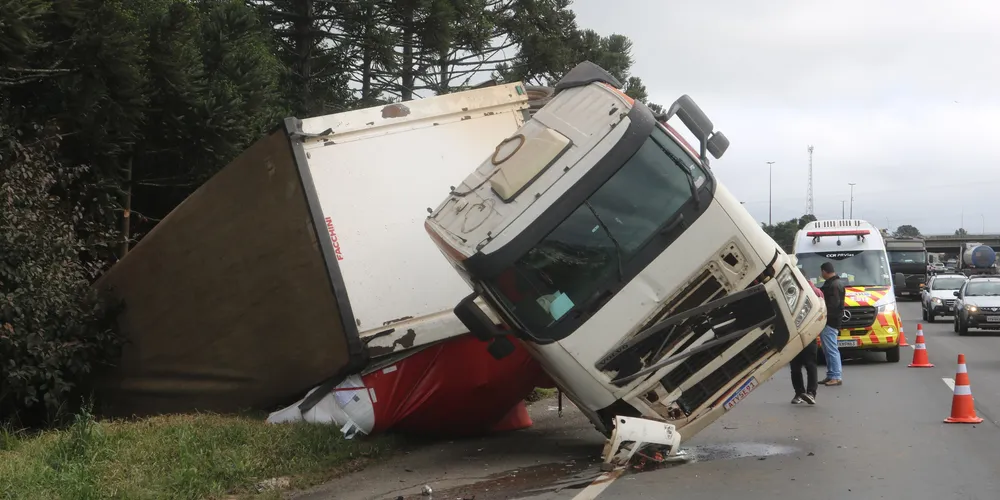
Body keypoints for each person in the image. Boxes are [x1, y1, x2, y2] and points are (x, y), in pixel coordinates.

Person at [790, 280, 823, 404]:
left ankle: (808, 393)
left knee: (806, 365)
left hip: (808, 333)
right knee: (797, 366)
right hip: (797, 334)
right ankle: (802, 393)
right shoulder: (791, 292)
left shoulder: (815, 293)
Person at [819, 261, 845, 386]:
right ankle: (831, 375)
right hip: (831, 321)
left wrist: (823, 316)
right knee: (828, 349)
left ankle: (836, 376)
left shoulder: (833, 285)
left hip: (830, 321)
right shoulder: (835, 283)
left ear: (824, 271)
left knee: (831, 349)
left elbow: (833, 305)